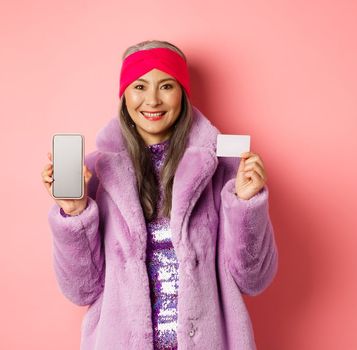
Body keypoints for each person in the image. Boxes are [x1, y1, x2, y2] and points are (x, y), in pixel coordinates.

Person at [40, 40, 279, 349]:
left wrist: (246, 204)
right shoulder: (95, 175)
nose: (152, 100)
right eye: (139, 86)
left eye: (166, 85)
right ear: (124, 95)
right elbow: (82, 290)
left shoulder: (224, 171)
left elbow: (253, 280)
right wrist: (75, 213)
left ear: (182, 94)